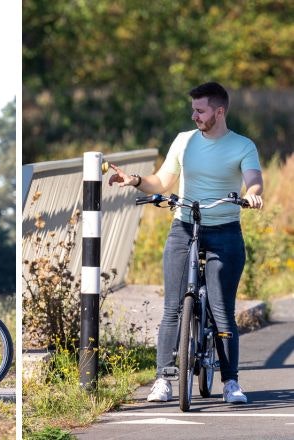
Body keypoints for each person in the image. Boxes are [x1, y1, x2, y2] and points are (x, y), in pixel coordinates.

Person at [109, 82, 263, 404]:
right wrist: (134, 180)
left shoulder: (242, 146)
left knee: (223, 311)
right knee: (173, 309)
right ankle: (164, 380)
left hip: (225, 232)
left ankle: (231, 382)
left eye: (200, 110)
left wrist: (252, 195)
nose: (194, 116)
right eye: (193, 109)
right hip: (184, 227)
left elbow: (254, 179)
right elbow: (162, 181)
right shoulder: (184, 141)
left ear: (219, 112)